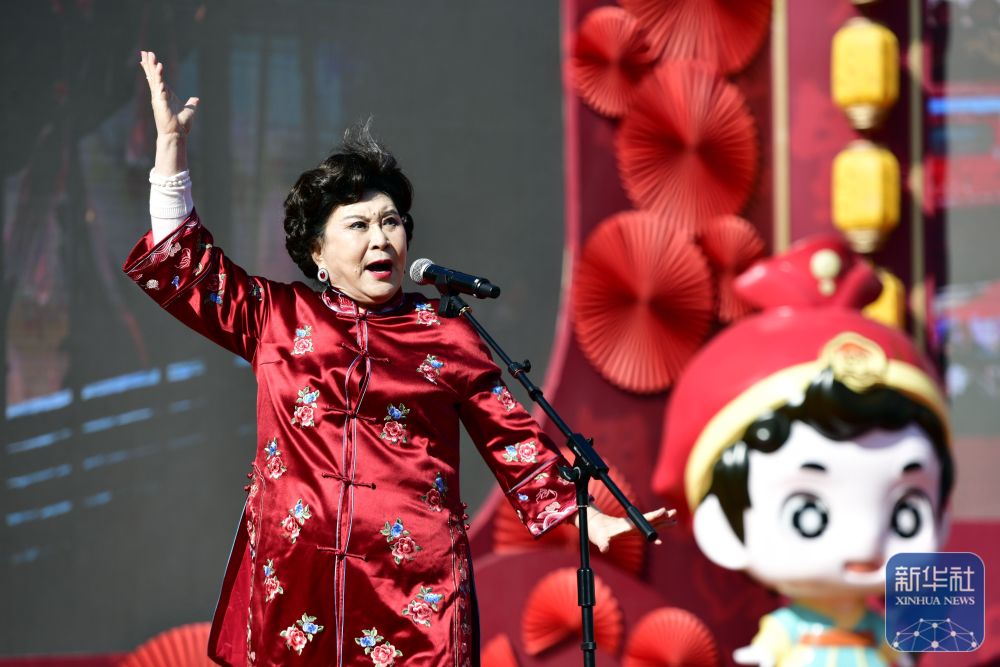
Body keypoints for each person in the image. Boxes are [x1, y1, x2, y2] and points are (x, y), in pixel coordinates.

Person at [127, 51, 669, 666]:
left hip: (414, 591)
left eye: (390, 221)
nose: (381, 237)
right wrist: (169, 153)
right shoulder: (277, 317)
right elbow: (185, 264)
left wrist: (588, 519)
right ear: (317, 253)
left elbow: (514, 441)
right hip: (297, 582)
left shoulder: (447, 332)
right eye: (358, 226)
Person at [652, 236, 954, 667]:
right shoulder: (790, 627)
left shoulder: (874, 625)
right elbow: (773, 645)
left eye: (906, 513)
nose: (866, 539)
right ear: (721, 527)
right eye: (807, 513)